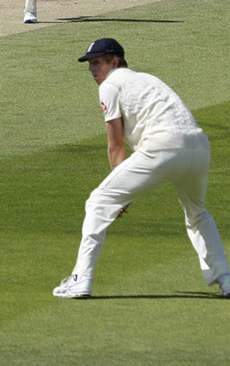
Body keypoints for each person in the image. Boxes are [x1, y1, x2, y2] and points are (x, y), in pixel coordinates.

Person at [53, 39, 230, 299]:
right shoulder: (146, 79)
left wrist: (123, 197)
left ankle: (81, 279)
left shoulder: (110, 85)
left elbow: (115, 147)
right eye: (90, 64)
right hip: (199, 147)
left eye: (97, 62)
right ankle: (226, 278)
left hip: (164, 146)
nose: (92, 69)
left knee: (99, 201)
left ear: (114, 62)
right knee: (197, 213)